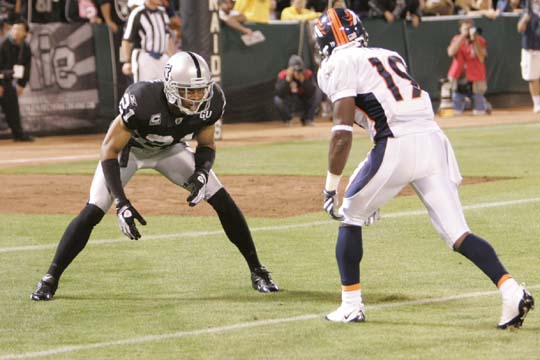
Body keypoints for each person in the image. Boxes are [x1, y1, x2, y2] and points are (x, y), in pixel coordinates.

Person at [314, 8, 534, 327]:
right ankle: (511, 291)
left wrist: (331, 186)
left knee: (350, 214)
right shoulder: (389, 54)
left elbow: (342, 133)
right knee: (458, 232)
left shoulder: (338, 63)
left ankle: (350, 305)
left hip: (397, 143)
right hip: (432, 140)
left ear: (327, 42)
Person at [31, 51, 279, 301]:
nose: (198, 97)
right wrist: (121, 202)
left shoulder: (212, 102)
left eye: (201, 90)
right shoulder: (142, 99)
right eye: (189, 91)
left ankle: (258, 271)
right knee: (94, 209)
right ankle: (50, 277)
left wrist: (202, 172)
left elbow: (206, 144)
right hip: (129, 152)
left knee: (221, 198)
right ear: (171, 87)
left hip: (170, 151)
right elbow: (109, 149)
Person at [121, 0, 175, 82]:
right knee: (144, 90)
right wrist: (127, 61)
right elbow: (126, 39)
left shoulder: (163, 12)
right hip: (145, 59)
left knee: (166, 90)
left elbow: (167, 37)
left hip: (163, 58)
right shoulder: (137, 13)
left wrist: (173, 58)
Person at [447, 19, 490, 115]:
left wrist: (475, 41)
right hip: (459, 78)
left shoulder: (480, 40)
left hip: (475, 78)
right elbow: (450, 52)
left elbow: (482, 58)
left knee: (479, 112)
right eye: (465, 28)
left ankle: (484, 105)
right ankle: (466, 103)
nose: (468, 30)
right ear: (460, 29)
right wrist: (462, 36)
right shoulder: (456, 39)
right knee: (456, 112)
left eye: (470, 28)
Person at [0, 17, 33, 142]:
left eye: (19, 29)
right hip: (1, 80)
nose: (16, 32)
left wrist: (21, 84)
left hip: (7, 81)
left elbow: (26, 67)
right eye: (14, 29)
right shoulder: (3, 44)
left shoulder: (25, 47)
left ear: (25, 33)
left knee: (11, 99)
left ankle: (18, 134)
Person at [274, 54, 323, 126]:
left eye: (299, 69)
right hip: (290, 102)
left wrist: (303, 81)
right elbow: (279, 93)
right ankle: (288, 120)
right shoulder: (283, 75)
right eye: (294, 69)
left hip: (303, 101)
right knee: (277, 99)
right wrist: (287, 81)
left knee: (318, 92)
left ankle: (308, 119)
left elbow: (312, 92)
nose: (297, 71)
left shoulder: (307, 74)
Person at [517, 0, 540, 113]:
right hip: (531, 48)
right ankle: (537, 104)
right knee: (533, 76)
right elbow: (520, 28)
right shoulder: (526, 12)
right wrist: (525, 19)